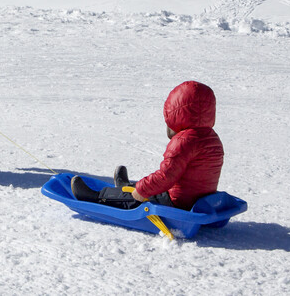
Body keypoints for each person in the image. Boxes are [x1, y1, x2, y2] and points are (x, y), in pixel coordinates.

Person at [70, 81, 224, 211]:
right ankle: (127, 185)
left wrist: (141, 191)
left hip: (176, 203)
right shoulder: (212, 138)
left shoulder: (184, 141)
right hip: (198, 201)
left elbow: (166, 176)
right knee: (149, 187)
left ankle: (96, 197)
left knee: (136, 196)